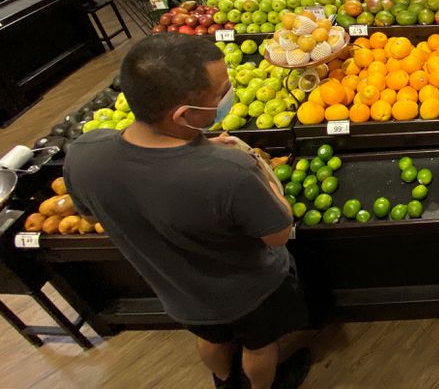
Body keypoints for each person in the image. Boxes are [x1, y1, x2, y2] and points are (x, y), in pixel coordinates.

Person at [64, 35, 310, 389]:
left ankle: (225, 381)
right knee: (259, 345)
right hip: (252, 292)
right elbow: (278, 233)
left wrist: (198, 149)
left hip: (179, 295)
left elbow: (91, 215)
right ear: (183, 115)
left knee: (212, 338)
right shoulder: (231, 172)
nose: (229, 95)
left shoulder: (85, 153)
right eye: (221, 91)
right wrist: (257, 170)